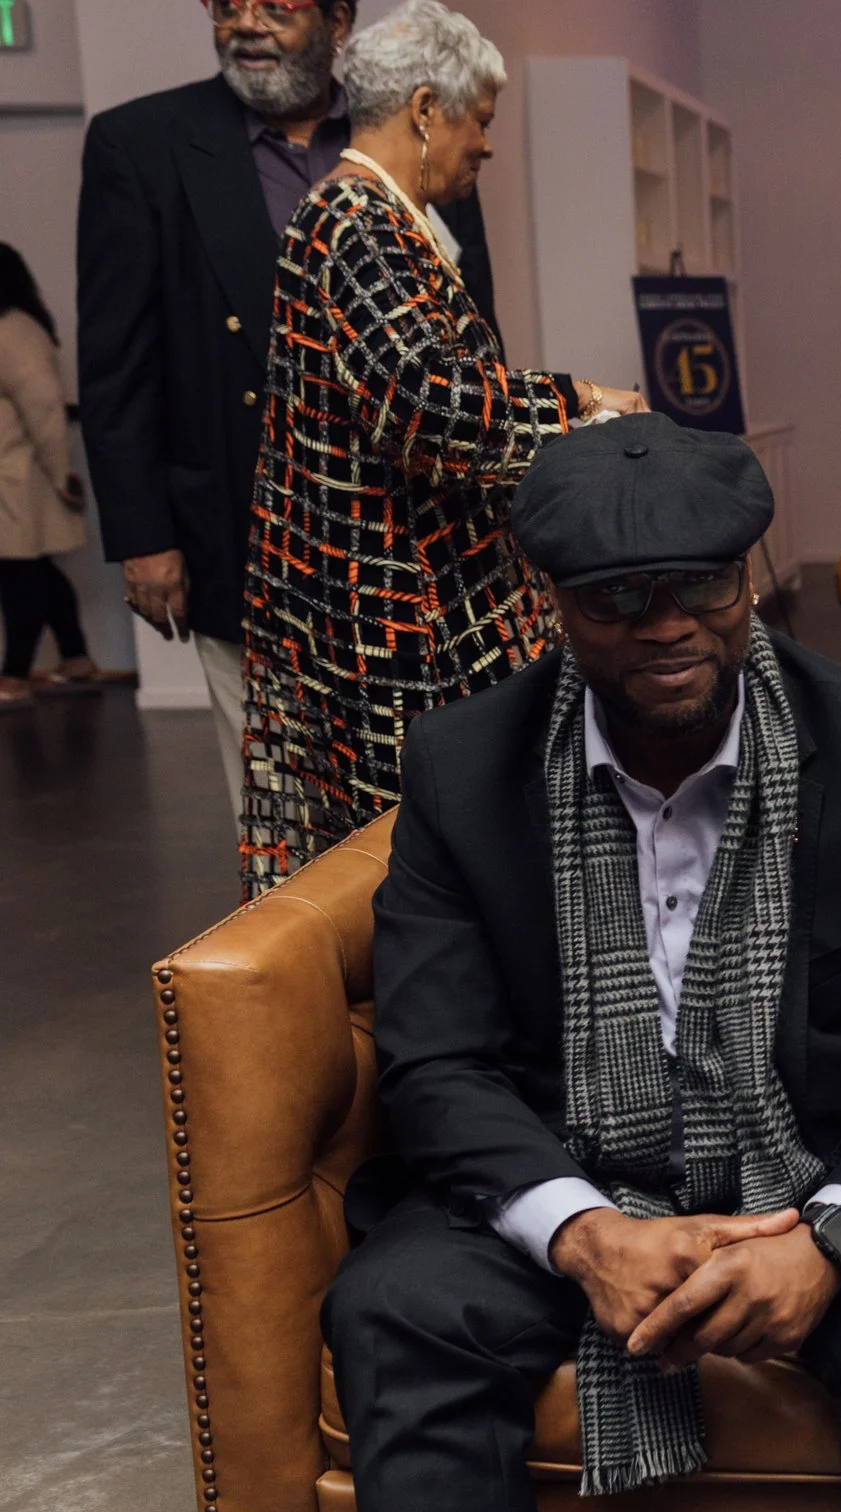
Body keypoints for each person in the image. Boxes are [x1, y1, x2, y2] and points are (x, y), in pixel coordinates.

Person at [324, 412, 841, 1512]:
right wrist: (585, 1230)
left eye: (703, 586)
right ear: (550, 600)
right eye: (618, 598)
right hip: (576, 1164)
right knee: (400, 1306)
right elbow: (436, 1059)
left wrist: (827, 1235)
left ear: (749, 574)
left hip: (827, 1165)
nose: (668, 625)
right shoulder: (463, 765)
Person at [237, 0, 643, 897]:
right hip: (394, 626)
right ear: (425, 109)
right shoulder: (355, 222)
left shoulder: (374, 216)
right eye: (481, 120)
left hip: (405, 608)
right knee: (426, 860)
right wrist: (577, 404)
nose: (487, 145)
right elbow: (423, 404)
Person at [76, 0, 497, 813]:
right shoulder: (141, 144)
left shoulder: (421, 129)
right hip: (245, 527)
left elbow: (471, 332)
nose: (247, 23)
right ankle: (305, 936)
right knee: (282, 802)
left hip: (410, 532)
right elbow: (117, 360)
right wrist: (143, 537)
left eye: (277, 6)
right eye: (227, 4)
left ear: (340, 22)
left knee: (430, 792)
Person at [0, 246, 101, 709]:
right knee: (36, 570)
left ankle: (14, 675)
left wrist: (60, 473)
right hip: (19, 474)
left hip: (18, 476)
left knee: (18, 576)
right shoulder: (17, 326)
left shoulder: (12, 329)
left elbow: (43, 407)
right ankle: (76, 659)